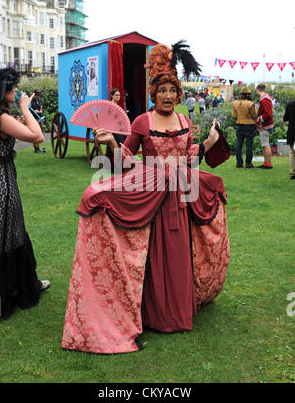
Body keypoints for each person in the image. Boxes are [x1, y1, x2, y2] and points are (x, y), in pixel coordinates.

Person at [61, 42, 230, 354]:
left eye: (172, 90)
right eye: (162, 90)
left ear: (179, 95)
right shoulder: (142, 122)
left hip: (179, 197)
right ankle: (151, 314)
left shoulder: (184, 122)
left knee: (178, 253)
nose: (167, 96)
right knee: (149, 253)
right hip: (150, 196)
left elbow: (190, 158)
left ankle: (177, 313)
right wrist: (111, 141)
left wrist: (207, 143)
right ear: (154, 93)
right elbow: (126, 159)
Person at [0, 67, 50, 321]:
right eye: (13, 86)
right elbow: (37, 137)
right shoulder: (1, 117)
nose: (17, 89)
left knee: (1, 237)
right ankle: (21, 290)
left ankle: (9, 291)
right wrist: (25, 108)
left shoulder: (0, 118)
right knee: (11, 235)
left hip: (0, 178)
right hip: (2, 183)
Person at [232, 86, 258, 168]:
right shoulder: (251, 104)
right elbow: (254, 115)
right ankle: (248, 163)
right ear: (247, 95)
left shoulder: (235, 103)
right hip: (249, 125)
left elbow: (233, 116)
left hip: (239, 125)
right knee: (249, 145)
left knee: (239, 145)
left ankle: (239, 163)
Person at [105, 88, 128, 170]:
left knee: (124, 141)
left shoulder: (118, 106)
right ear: (112, 96)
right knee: (119, 142)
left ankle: (117, 165)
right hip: (112, 129)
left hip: (118, 129)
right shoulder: (110, 106)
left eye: (119, 95)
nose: (118, 97)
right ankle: (114, 166)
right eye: (116, 95)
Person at [256, 84, 274, 169]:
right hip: (266, 125)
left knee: (266, 145)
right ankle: (266, 162)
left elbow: (268, 114)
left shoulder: (264, 100)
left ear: (258, 90)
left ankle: (269, 164)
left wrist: (259, 118)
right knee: (264, 145)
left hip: (265, 126)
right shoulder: (266, 98)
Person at [30, 89, 45, 154]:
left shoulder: (39, 99)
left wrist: (42, 110)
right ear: (34, 94)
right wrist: (34, 110)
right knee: (35, 132)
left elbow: (43, 107)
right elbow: (28, 108)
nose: (37, 96)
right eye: (36, 95)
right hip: (34, 118)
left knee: (39, 132)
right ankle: (36, 148)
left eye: (38, 95)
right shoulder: (31, 100)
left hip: (40, 117)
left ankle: (37, 147)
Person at [283, 100, 295, 180]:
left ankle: (293, 172)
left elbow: (285, 118)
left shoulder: (290, 104)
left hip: (292, 131)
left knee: (292, 153)